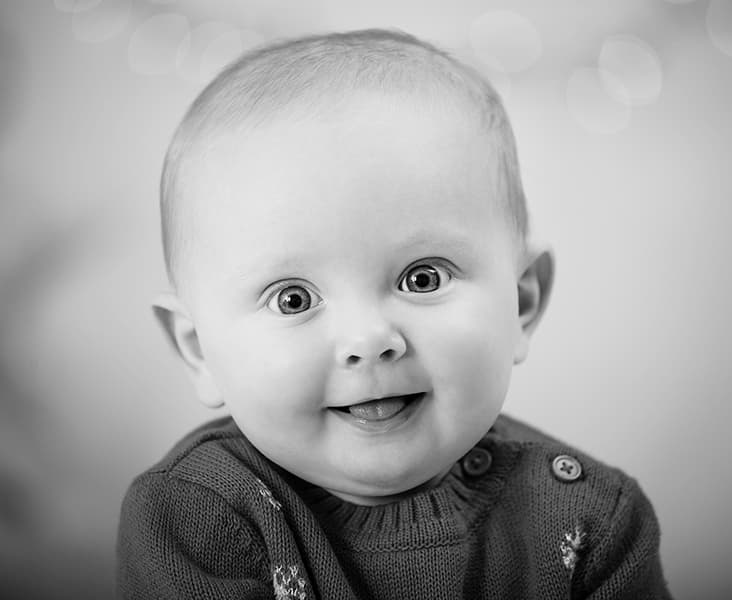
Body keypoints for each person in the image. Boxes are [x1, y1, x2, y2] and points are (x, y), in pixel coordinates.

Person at [117, 29, 672, 599]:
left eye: (422, 278)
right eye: (294, 299)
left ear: (523, 301)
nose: (368, 339)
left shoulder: (590, 523)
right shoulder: (195, 518)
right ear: (198, 348)